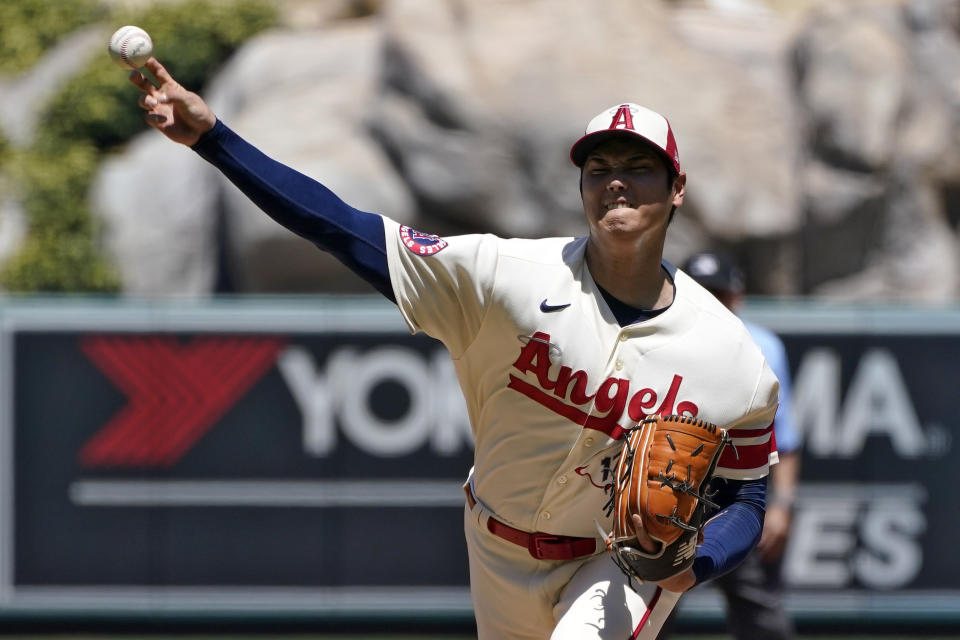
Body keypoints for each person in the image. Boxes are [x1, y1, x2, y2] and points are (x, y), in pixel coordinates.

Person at [129, 58, 781, 639]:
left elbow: (748, 498)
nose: (616, 182)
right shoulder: (506, 276)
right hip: (495, 546)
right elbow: (343, 230)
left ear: (677, 187)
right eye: (599, 167)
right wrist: (216, 140)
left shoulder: (731, 359)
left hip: (614, 562)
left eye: (639, 168)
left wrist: (695, 563)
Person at [679, 250, 800, 640]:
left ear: (737, 296)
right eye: (702, 291)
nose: (712, 301)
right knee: (644, 614)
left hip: (737, 494)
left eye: (720, 292)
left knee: (760, 615)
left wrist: (781, 506)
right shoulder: (658, 341)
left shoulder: (761, 345)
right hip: (668, 492)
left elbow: (785, 435)